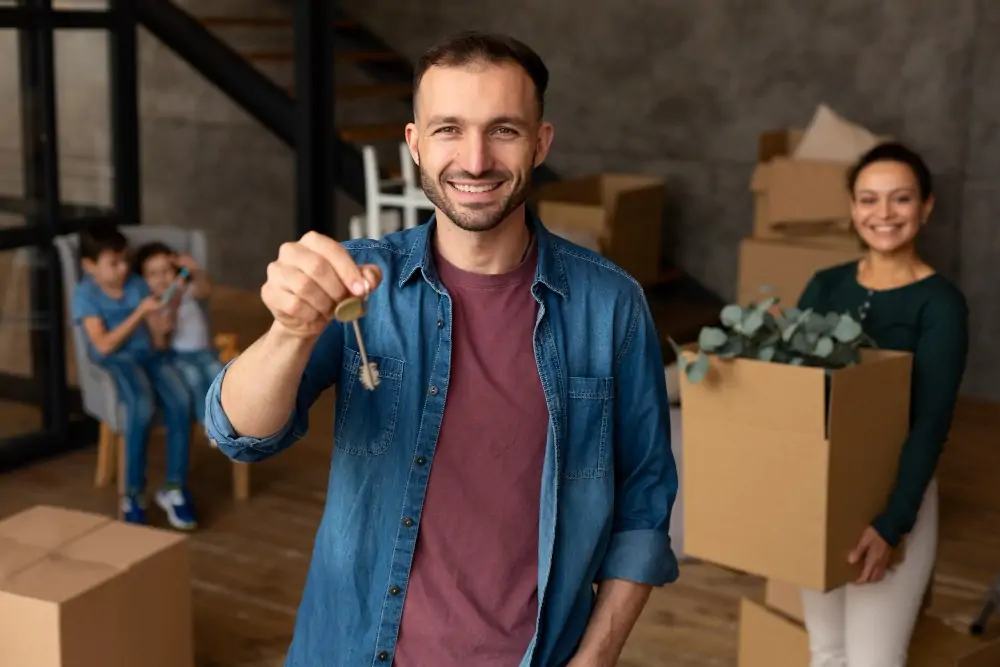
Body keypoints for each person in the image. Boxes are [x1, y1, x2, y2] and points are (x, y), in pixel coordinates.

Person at [205, 31, 678, 667]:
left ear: (540, 143)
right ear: (416, 144)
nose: (476, 160)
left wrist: (596, 656)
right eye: (449, 129)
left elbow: (645, 500)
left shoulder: (611, 305)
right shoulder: (359, 282)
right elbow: (239, 434)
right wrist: (289, 332)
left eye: (504, 130)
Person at [796, 142, 969, 667]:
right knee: (826, 653)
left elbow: (930, 424)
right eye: (869, 200)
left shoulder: (940, 304)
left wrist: (892, 524)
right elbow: (797, 397)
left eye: (901, 199)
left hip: (895, 496)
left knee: (874, 661)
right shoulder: (825, 287)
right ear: (852, 208)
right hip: (820, 492)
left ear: (926, 206)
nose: (884, 214)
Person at [72, 225, 198, 530]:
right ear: (89, 265)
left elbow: (156, 339)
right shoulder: (86, 294)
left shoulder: (137, 285)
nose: (124, 268)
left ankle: (174, 488)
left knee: (182, 400)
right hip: (117, 360)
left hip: (150, 356)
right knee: (140, 406)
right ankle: (132, 494)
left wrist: (163, 325)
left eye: (125, 261)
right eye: (113, 263)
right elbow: (103, 344)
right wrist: (140, 314)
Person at [134, 241, 222, 430]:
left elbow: (205, 290)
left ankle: (227, 421)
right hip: (180, 357)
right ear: (143, 279)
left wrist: (194, 269)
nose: (161, 278)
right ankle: (209, 425)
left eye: (167, 271)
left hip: (204, 351)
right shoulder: (155, 305)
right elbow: (163, 342)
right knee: (194, 379)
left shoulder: (187, 290)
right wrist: (173, 303)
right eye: (153, 274)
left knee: (218, 375)